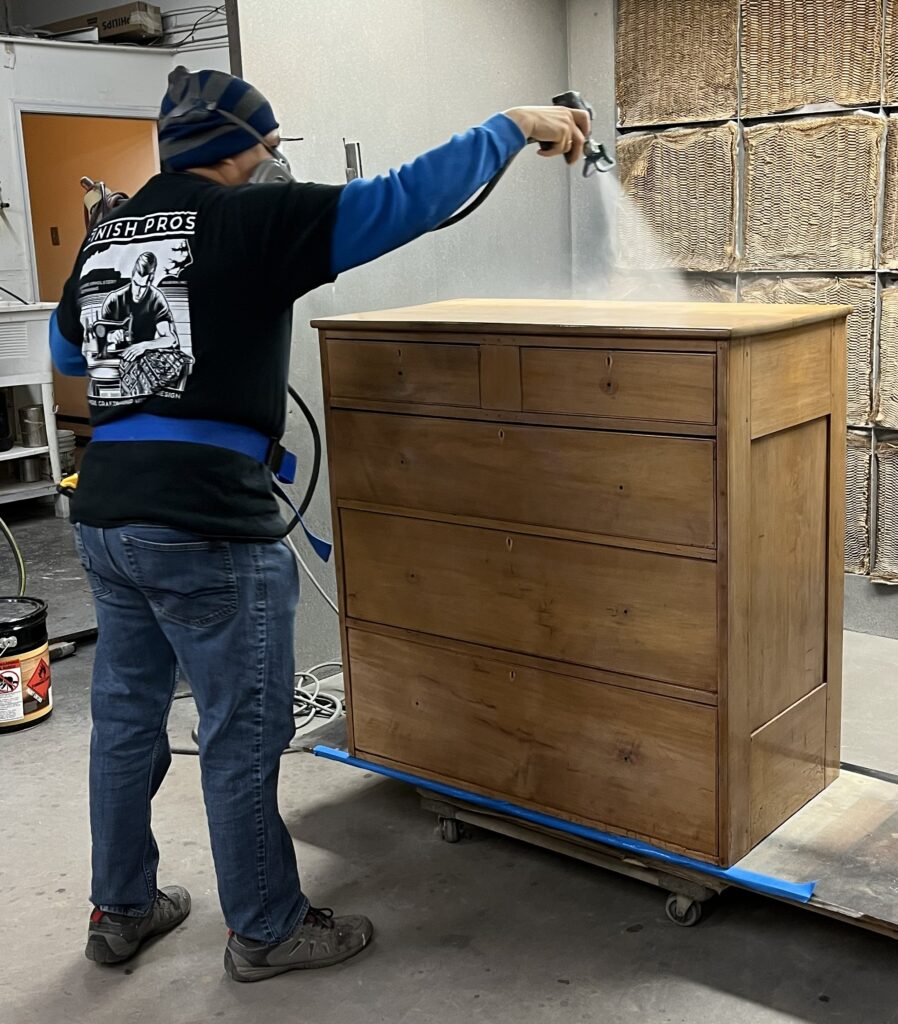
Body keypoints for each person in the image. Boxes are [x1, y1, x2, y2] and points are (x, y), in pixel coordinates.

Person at [50, 66, 589, 983]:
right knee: (242, 730)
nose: (272, 163)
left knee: (126, 724)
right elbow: (404, 200)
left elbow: (68, 349)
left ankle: (122, 909)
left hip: (106, 515)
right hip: (206, 525)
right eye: (266, 148)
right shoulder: (256, 219)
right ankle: (266, 928)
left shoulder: (112, 235)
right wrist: (511, 123)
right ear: (236, 150)